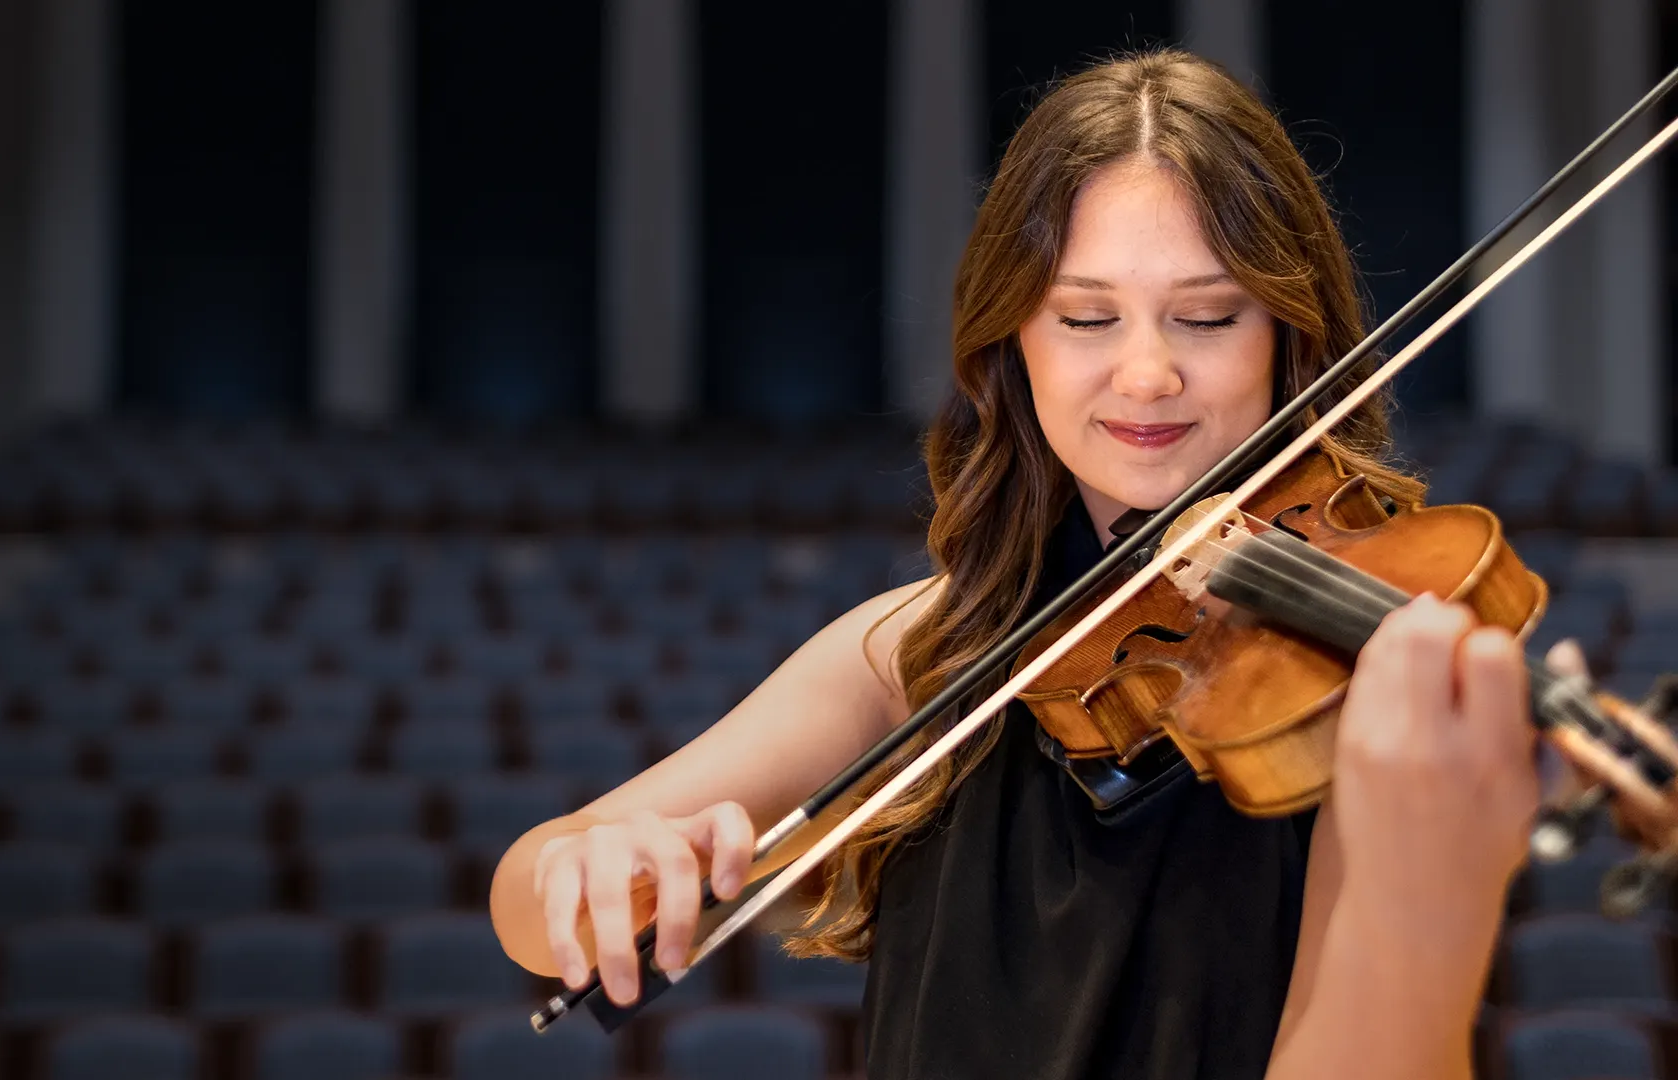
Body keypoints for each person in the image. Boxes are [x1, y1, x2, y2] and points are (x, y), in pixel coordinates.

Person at [490, 49, 1541, 1080]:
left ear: (1287, 337)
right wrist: (591, 869)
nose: (1147, 373)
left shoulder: (1367, 681)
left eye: (1208, 317)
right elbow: (530, 895)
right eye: (1086, 318)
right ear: (1013, 341)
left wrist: (1423, 899)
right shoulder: (919, 653)